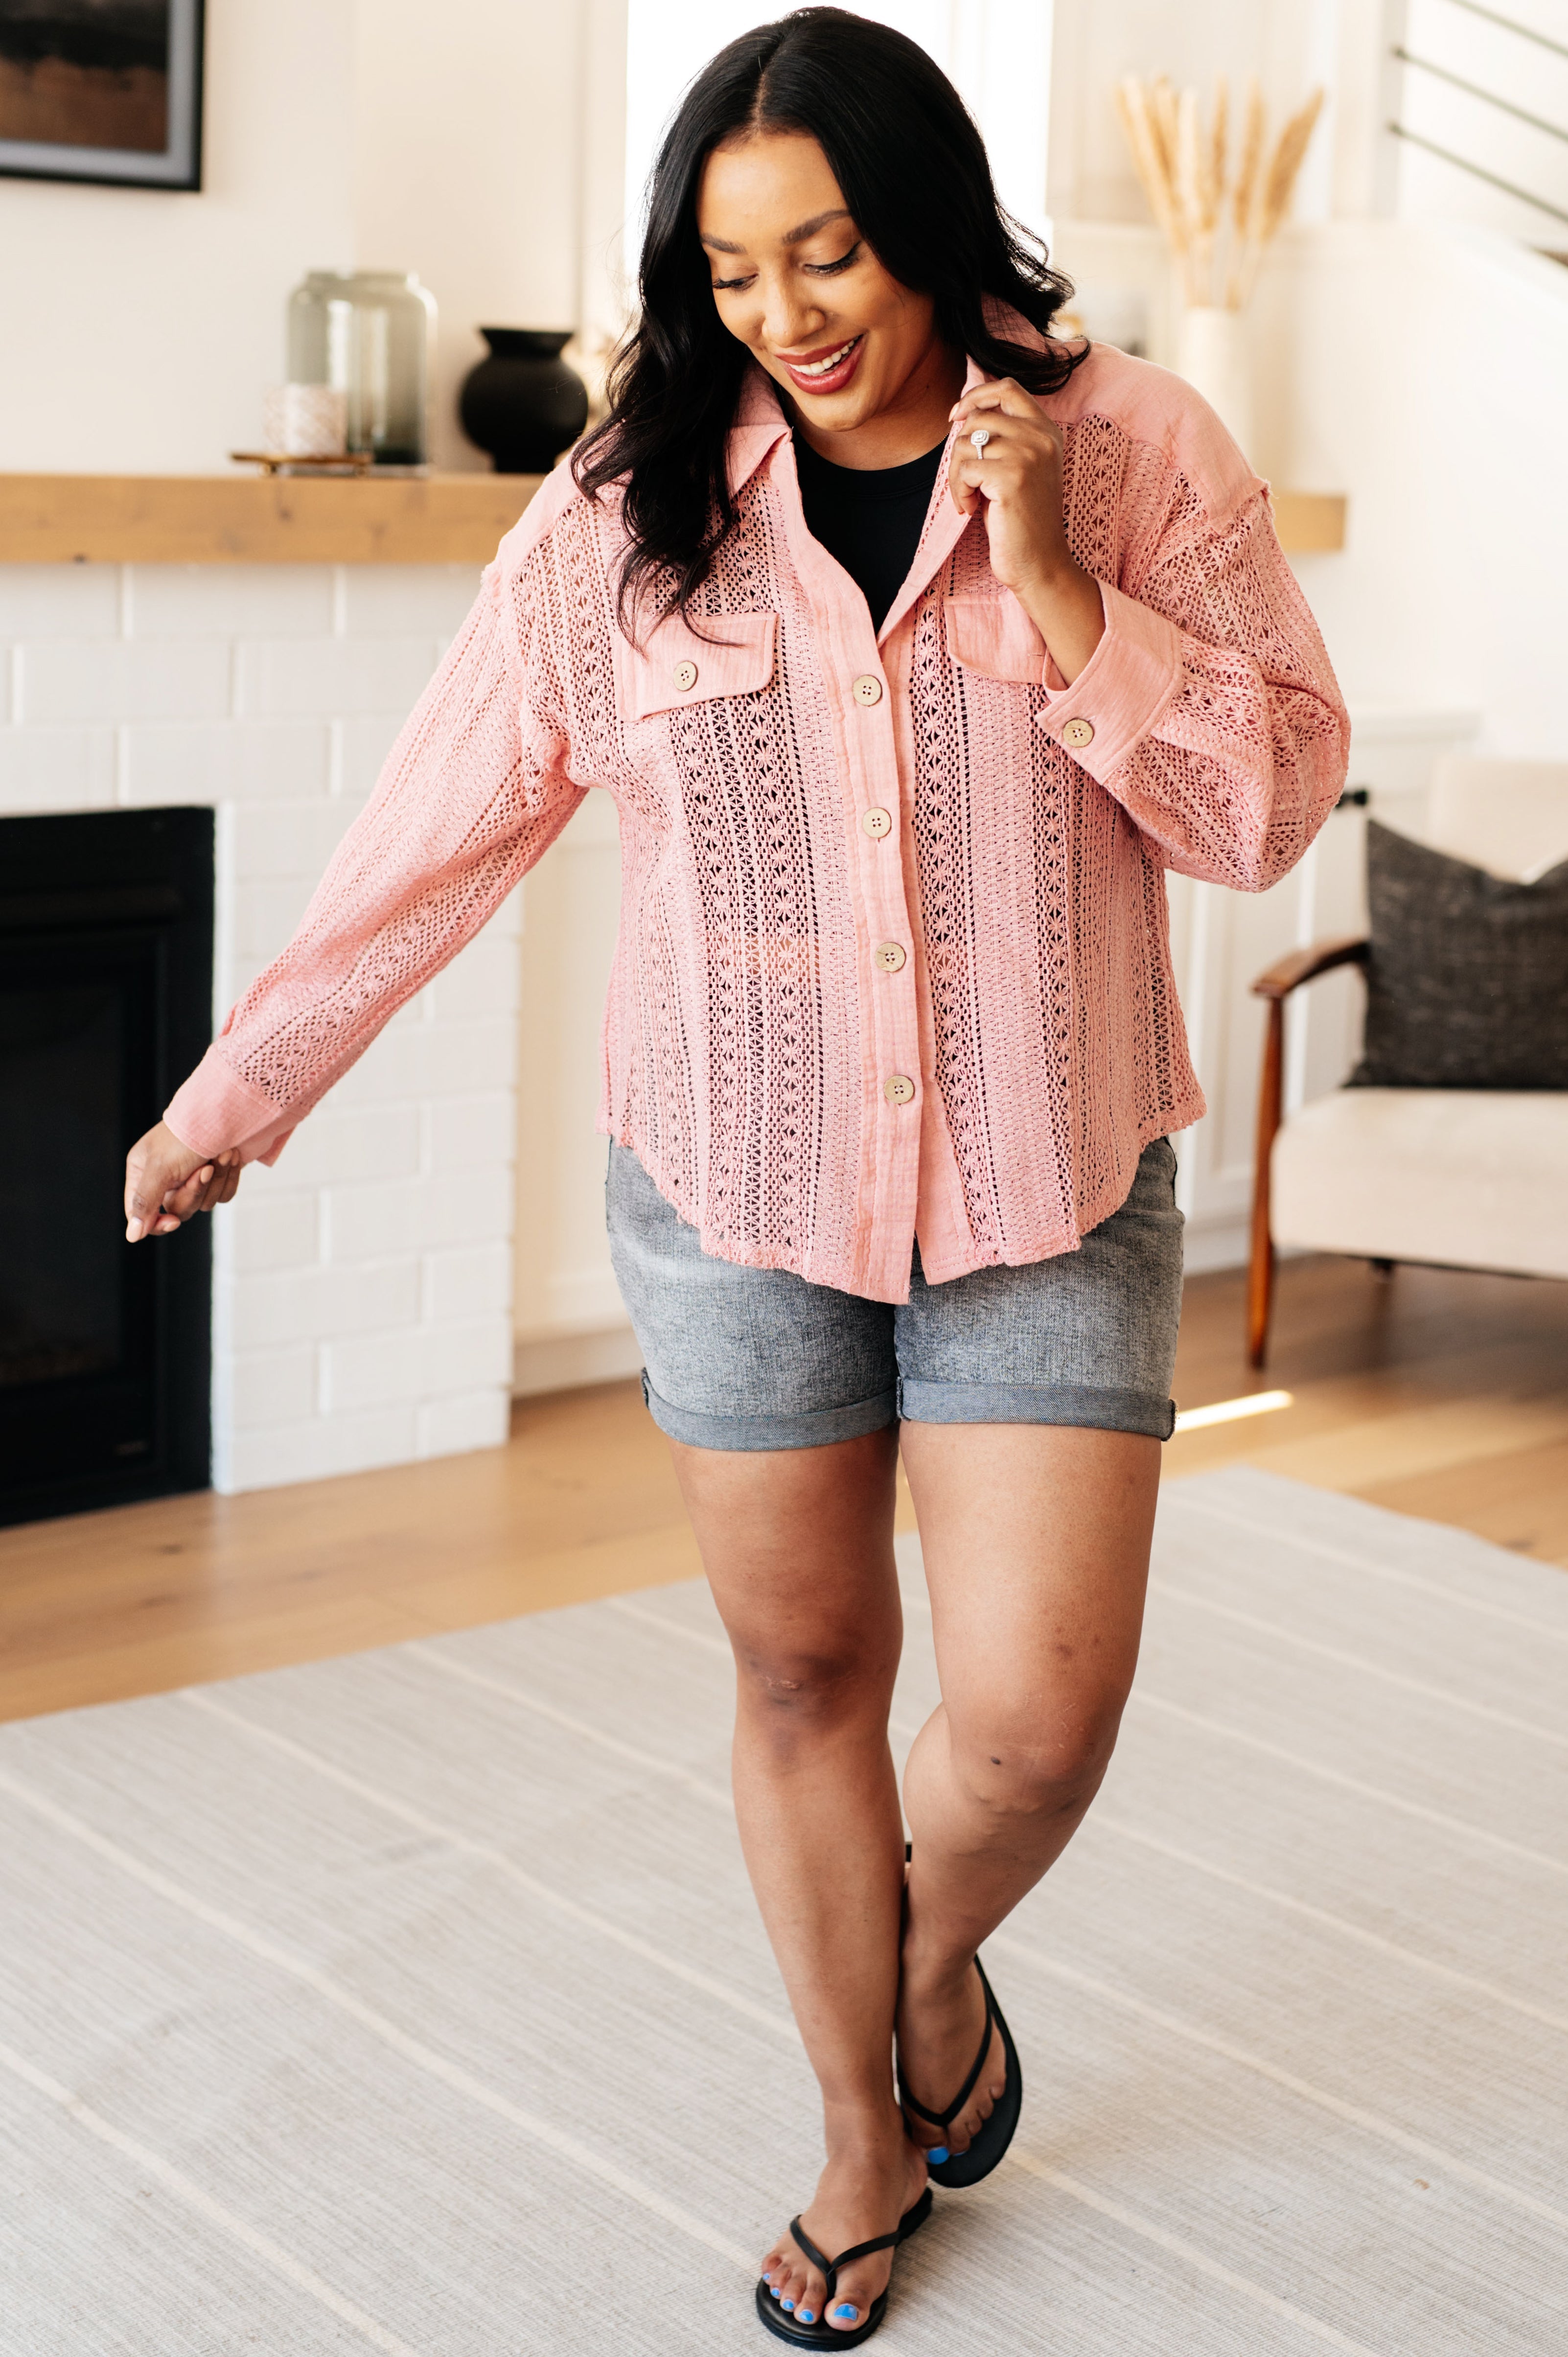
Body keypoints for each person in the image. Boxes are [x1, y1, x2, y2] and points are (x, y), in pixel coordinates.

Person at [125, 9, 1348, 2343]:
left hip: (1045, 1175)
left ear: (933, 219)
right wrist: (234, 1091)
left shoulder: (1139, 449)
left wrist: (1063, 575)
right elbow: (442, 818)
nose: (789, 313)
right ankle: (864, 2136)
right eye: (735, 266)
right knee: (804, 1674)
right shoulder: (628, 500)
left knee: (1028, 1720)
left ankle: (929, 1981)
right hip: (733, 1179)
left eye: (833, 249)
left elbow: (1270, 810)